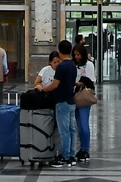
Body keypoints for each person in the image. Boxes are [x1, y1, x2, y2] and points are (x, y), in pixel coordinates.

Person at [43, 38, 78, 167]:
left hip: (62, 101)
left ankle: (65, 156)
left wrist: (44, 88)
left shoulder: (62, 66)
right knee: (71, 129)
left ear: (59, 51)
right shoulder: (73, 65)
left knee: (64, 130)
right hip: (71, 100)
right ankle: (72, 155)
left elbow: (55, 85)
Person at [73, 42, 96, 162]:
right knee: (77, 124)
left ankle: (85, 149)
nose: (77, 57)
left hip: (83, 96)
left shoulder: (89, 65)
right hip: (73, 96)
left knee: (83, 123)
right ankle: (80, 148)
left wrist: (79, 83)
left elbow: (91, 81)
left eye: (78, 54)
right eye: (75, 55)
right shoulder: (73, 65)